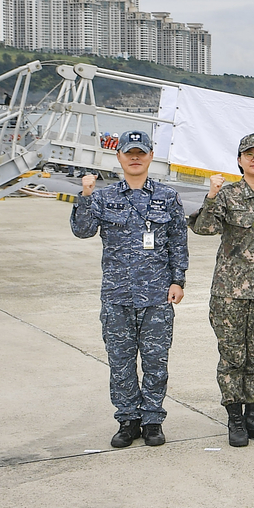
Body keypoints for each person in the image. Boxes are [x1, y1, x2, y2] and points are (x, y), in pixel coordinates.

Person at [70, 129, 188, 449]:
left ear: (150, 157)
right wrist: (85, 195)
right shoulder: (104, 196)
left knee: (155, 361)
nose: (135, 158)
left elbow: (178, 241)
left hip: (157, 295)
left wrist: (178, 280)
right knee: (120, 361)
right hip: (117, 295)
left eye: (141, 152)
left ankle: (152, 420)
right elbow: (82, 231)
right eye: (129, 153)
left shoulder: (167, 196)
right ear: (119, 157)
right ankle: (127, 419)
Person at [189, 133, 254, 447]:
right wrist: (211, 195)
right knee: (232, 359)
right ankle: (234, 419)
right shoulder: (227, 194)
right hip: (229, 293)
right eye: (249, 154)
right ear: (239, 160)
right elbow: (204, 228)